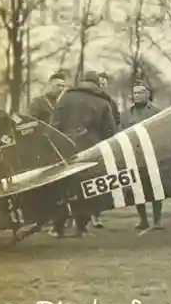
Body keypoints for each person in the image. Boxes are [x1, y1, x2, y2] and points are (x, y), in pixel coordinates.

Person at [49, 71, 119, 236]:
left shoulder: (65, 98)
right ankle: (81, 226)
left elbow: (53, 126)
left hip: (64, 149)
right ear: (96, 84)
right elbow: (110, 132)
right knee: (87, 190)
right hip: (91, 151)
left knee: (61, 188)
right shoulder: (103, 102)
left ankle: (58, 226)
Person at [123, 82, 164, 230]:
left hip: (152, 154)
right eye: (135, 93)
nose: (137, 96)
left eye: (140, 93)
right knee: (137, 189)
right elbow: (120, 134)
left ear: (147, 94)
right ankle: (143, 220)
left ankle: (158, 220)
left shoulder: (157, 111)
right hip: (133, 155)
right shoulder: (126, 114)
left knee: (156, 187)